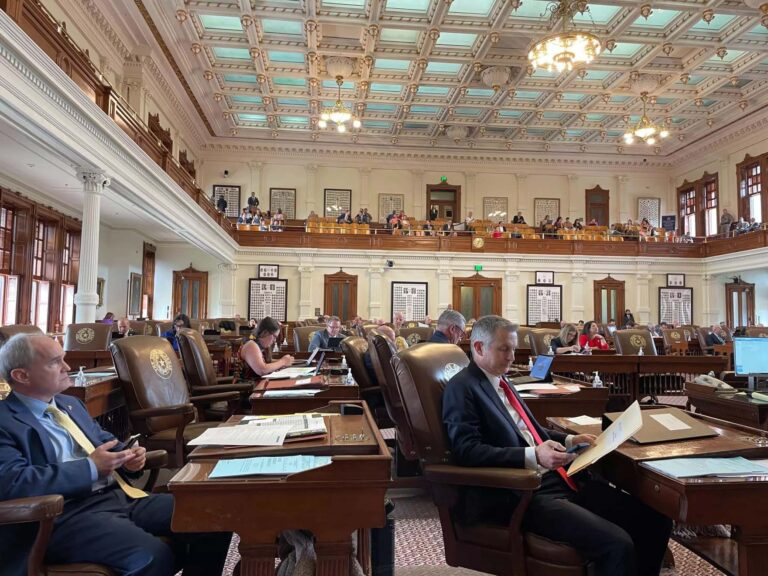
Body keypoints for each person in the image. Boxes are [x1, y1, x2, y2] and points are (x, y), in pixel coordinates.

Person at [442, 316, 672, 576]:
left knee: (656, 522)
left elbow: (529, 430)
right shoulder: (462, 387)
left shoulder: (502, 381)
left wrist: (569, 440)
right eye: (504, 349)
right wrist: (533, 456)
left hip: (559, 479)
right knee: (617, 544)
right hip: (521, 492)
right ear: (479, 348)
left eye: (514, 349)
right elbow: (467, 450)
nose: (511, 356)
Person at [0, 334, 232, 576]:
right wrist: (90, 468)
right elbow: (12, 482)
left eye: (64, 359)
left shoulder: (70, 404)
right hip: (65, 515)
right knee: (152, 556)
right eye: (54, 362)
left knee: (214, 514)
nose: (66, 368)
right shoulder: (5, 421)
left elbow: (104, 441)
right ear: (21, 376)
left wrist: (128, 458)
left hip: (119, 496)